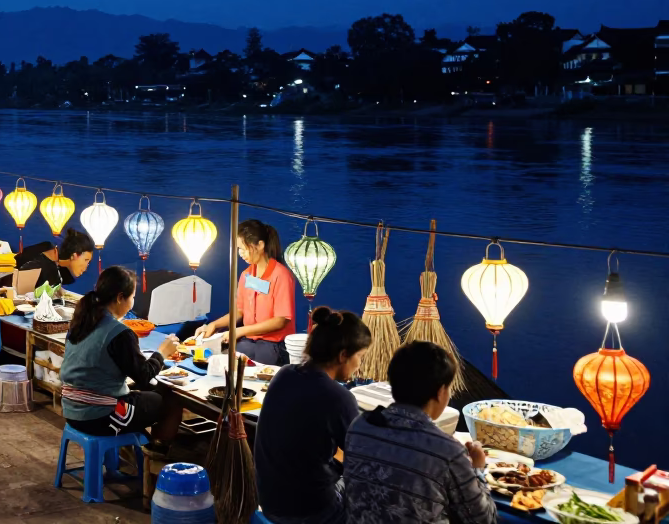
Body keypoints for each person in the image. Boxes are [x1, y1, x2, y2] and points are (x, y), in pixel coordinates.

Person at [345, 342, 496, 524]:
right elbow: (483, 520)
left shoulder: (360, 427)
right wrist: (477, 468)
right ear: (441, 392)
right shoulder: (447, 451)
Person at [254, 307, 372, 524]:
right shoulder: (338, 396)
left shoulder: (284, 374)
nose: (359, 365)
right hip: (309, 511)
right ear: (343, 355)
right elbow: (362, 461)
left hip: (268, 499)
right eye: (360, 357)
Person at [60, 265, 183, 445]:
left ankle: (136, 444)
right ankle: (156, 451)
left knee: (147, 395)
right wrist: (163, 352)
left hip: (71, 408)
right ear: (120, 298)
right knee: (169, 401)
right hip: (98, 415)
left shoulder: (82, 321)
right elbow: (144, 376)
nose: (133, 302)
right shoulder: (119, 333)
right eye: (132, 297)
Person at [194, 219, 295, 364]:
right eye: (238, 249)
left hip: (274, 345)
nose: (240, 253)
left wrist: (240, 331)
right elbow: (239, 311)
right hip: (249, 340)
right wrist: (214, 325)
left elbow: (280, 321)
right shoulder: (246, 275)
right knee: (216, 358)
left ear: (260, 245)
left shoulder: (281, 275)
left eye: (243, 248)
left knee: (249, 368)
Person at [14, 229, 95, 288]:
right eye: (86, 260)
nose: (85, 268)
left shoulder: (64, 273)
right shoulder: (40, 257)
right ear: (75, 255)